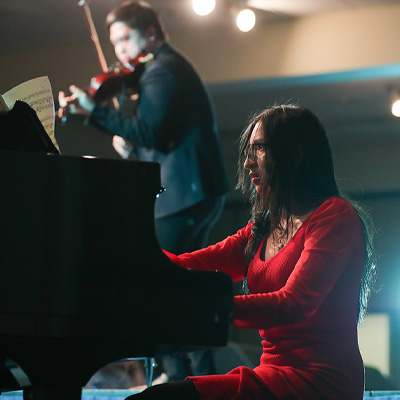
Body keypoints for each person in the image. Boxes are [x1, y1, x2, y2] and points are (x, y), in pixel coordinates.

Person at [125, 104, 377, 399]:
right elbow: (187, 267)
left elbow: (292, 305)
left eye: (259, 149)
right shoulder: (264, 227)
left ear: (295, 155)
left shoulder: (334, 216)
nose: (247, 163)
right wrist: (134, 258)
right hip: (271, 377)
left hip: (320, 383)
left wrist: (207, 308)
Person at [58, 0, 229, 383]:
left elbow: (153, 132)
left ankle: (181, 375)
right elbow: (157, 136)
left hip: (184, 193)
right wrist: (129, 142)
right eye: (114, 42)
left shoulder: (162, 71)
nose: (119, 50)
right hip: (192, 191)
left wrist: (96, 113)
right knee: (176, 284)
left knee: (160, 283)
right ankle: (189, 376)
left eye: (125, 39)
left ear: (150, 34)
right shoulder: (158, 70)